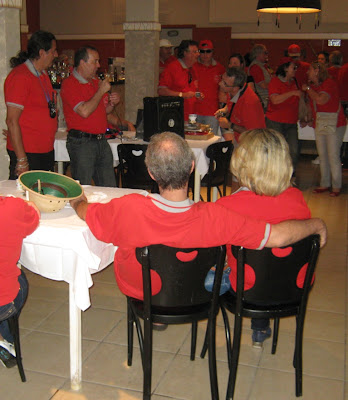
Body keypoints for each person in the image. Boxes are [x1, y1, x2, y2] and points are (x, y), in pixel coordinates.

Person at [70, 131, 327, 301]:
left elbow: (87, 213)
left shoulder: (128, 207)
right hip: (201, 293)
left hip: (143, 290)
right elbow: (277, 236)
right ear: (192, 167)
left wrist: (76, 199)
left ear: (150, 172)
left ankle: (157, 314)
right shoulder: (218, 215)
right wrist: (316, 224)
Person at [217, 128, 311, 348]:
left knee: (217, 269)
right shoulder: (297, 199)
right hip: (292, 286)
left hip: (245, 288)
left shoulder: (227, 206)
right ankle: (260, 328)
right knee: (265, 264)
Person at [60, 46, 119, 187]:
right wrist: (100, 92)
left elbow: (104, 112)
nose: (98, 66)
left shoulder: (95, 82)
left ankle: (105, 209)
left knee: (109, 187)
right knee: (83, 187)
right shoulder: (70, 84)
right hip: (82, 142)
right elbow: (84, 111)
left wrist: (113, 103)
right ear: (82, 63)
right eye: (95, 61)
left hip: (100, 140)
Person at [4, 30, 58, 180]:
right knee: (26, 200)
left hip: (44, 149)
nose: (56, 55)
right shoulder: (20, 77)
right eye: (53, 51)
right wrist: (22, 160)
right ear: (42, 52)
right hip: (28, 153)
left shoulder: (43, 74)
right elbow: (11, 121)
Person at [0, 197, 40, 368]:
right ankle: (8, 340)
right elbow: (34, 218)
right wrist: (30, 205)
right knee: (18, 280)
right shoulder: (12, 207)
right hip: (3, 301)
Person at [302, 62, 346, 196]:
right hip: (321, 123)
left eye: (309, 70)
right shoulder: (317, 86)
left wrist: (308, 89)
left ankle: (336, 185)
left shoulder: (329, 83)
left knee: (333, 155)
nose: (307, 72)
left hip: (335, 124)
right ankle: (325, 183)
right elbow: (313, 106)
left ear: (316, 71)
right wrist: (309, 118)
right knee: (323, 155)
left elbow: (321, 100)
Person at [265, 57, 303, 173]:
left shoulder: (295, 82)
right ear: (285, 68)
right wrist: (292, 93)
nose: (295, 70)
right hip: (275, 121)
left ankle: (289, 175)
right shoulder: (275, 81)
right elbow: (275, 100)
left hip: (291, 122)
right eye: (293, 67)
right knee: (276, 150)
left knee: (293, 150)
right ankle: (275, 175)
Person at [215, 67, 265, 143]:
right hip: (239, 138)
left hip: (253, 142)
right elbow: (231, 103)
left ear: (235, 88)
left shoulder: (250, 102)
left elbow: (253, 132)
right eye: (222, 79)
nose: (220, 83)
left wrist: (229, 125)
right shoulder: (232, 91)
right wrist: (224, 110)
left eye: (224, 83)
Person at [158, 40, 200, 121]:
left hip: (192, 116)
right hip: (176, 116)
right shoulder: (172, 68)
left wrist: (197, 95)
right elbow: (161, 91)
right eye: (194, 52)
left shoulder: (193, 68)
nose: (198, 54)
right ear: (185, 53)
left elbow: (191, 89)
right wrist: (182, 95)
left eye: (197, 51)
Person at [192, 40, 225, 135]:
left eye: (208, 51)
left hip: (212, 112)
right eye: (202, 51)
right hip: (195, 111)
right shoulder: (192, 67)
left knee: (211, 139)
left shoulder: (220, 68)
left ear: (212, 52)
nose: (205, 54)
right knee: (195, 139)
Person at [248, 44, 272, 111]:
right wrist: (276, 85)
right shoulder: (256, 68)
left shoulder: (262, 66)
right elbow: (263, 85)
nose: (266, 55)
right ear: (258, 54)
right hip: (263, 102)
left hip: (267, 101)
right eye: (265, 53)